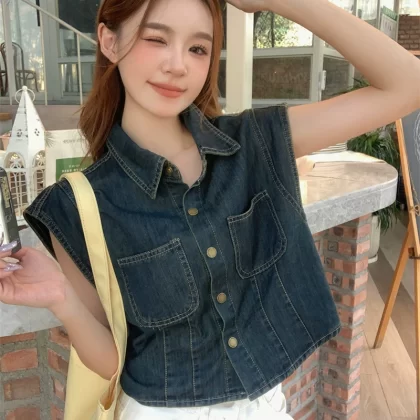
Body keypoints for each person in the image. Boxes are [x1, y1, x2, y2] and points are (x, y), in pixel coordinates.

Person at [0, 0, 419, 419]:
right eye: (156, 39)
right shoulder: (78, 203)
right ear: (109, 41)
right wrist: (59, 296)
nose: (178, 65)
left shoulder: (252, 144)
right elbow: (112, 362)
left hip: (264, 408)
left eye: (198, 48)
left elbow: (407, 84)